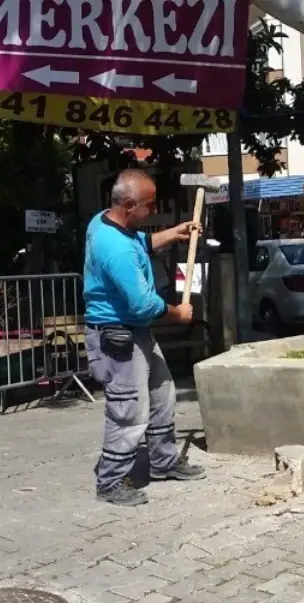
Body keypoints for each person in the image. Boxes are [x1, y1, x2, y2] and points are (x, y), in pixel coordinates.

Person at [84, 169, 207, 507]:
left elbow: (141, 242)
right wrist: (176, 313)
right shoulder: (115, 249)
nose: (153, 210)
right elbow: (142, 303)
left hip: (135, 330)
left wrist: (174, 233)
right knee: (128, 409)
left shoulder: (107, 221)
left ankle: (164, 462)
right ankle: (110, 482)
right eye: (149, 206)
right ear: (127, 204)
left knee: (163, 393)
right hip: (116, 336)